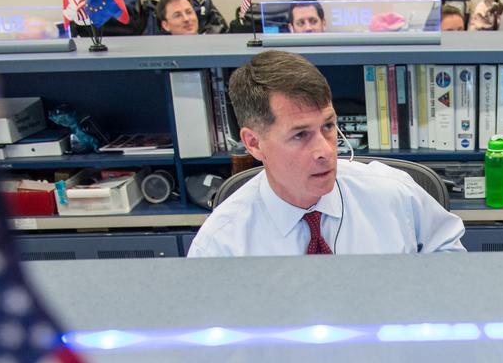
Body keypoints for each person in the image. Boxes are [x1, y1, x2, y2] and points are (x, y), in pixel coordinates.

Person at [187, 50, 465, 257]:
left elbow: (450, 257)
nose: (325, 151)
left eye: (328, 126)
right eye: (300, 135)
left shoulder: (394, 194)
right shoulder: (220, 244)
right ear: (254, 143)